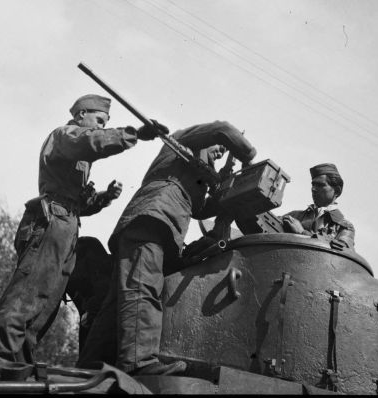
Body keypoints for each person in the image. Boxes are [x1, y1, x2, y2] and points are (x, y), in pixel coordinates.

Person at [0, 94, 166, 363]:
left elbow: (79, 202)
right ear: (81, 115)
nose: (100, 127)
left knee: (46, 304)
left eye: (104, 123)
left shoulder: (76, 152)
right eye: (99, 120)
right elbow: (92, 142)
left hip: (66, 225)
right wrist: (133, 134)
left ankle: (15, 363)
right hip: (51, 222)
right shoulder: (66, 135)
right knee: (30, 295)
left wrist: (104, 197)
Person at [77, 121, 256, 376]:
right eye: (221, 148)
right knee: (143, 287)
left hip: (158, 223)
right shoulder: (186, 140)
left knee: (118, 300)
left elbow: (198, 209)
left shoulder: (197, 171)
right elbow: (223, 130)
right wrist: (247, 155)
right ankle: (140, 362)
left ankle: (90, 365)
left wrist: (226, 194)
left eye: (225, 152)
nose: (221, 152)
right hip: (152, 218)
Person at [280, 163, 355, 249]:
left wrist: (302, 232)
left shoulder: (344, 227)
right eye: (313, 184)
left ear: (337, 191)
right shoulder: (294, 216)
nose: (313, 189)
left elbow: (341, 252)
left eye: (320, 185)